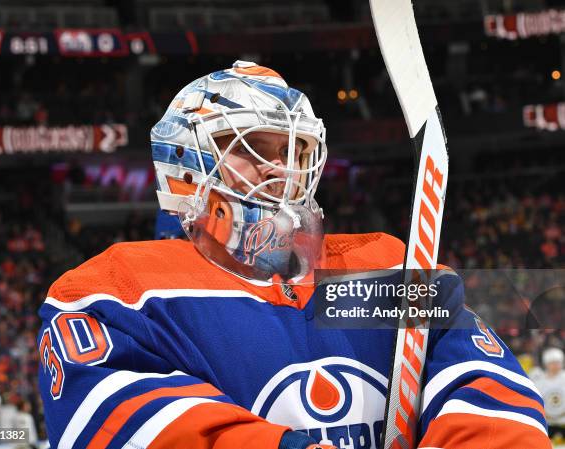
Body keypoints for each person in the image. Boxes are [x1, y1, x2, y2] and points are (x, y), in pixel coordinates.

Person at [37, 61, 551, 448]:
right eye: (251, 147)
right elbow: (134, 427)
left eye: (292, 152)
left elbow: (491, 395)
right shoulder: (118, 291)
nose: (279, 169)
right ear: (185, 167)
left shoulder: (385, 265)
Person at [535, 347, 565, 439]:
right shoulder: (539, 381)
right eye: (552, 363)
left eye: (557, 363)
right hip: (547, 423)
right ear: (546, 364)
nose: (555, 365)